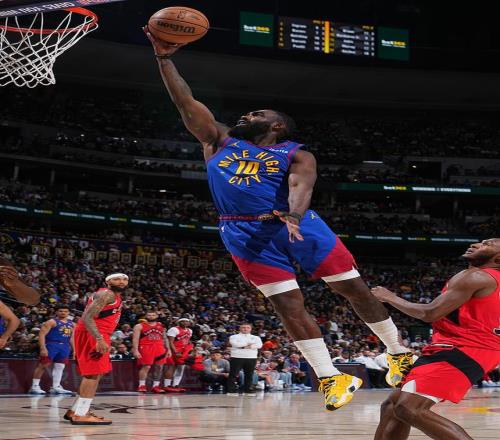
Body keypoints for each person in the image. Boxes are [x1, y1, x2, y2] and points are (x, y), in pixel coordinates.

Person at [143, 29, 413, 411]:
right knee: (287, 304)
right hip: (242, 230)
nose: (246, 115)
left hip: (298, 223)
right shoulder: (217, 139)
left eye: (257, 114)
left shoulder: (295, 152)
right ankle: (330, 376)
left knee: (353, 288)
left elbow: (302, 184)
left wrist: (295, 215)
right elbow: (184, 100)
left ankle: (397, 351)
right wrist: (164, 58)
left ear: (276, 126)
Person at [371, 238, 500, 440]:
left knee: (409, 408)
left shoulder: (476, 276)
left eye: (487, 244)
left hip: (465, 348)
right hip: (466, 348)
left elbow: (430, 313)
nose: (476, 244)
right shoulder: (487, 279)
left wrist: (389, 297)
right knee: (392, 406)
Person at [64, 273, 129, 425]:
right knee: (92, 375)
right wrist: (99, 338)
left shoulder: (112, 295)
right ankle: (81, 414)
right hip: (94, 333)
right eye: (116, 279)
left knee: (95, 374)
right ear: (108, 282)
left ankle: (75, 410)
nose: (121, 281)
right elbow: (87, 317)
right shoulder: (107, 294)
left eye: (124, 279)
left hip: (96, 332)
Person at [29, 305, 74, 395]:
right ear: (56, 312)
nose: (63, 313)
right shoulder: (51, 322)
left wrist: (74, 350)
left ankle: (56, 387)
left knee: (60, 366)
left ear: (68, 313)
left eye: (65, 311)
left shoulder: (72, 324)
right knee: (43, 365)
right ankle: (34, 386)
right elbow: (42, 334)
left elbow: (72, 338)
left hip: (65, 346)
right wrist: (43, 347)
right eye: (61, 311)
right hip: (51, 345)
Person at [132, 311, 168, 393]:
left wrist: (168, 349)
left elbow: (165, 338)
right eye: (149, 315)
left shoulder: (161, 325)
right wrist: (135, 350)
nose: (151, 316)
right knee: (146, 366)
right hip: (146, 347)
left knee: (159, 367)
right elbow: (135, 339)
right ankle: (141, 385)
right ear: (146, 316)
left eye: (153, 315)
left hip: (159, 347)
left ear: (157, 316)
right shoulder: (139, 326)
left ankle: (155, 386)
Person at [227, 323, 263, 396]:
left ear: (250, 329)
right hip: (237, 357)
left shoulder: (256, 337)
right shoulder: (234, 336)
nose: (245, 329)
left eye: (248, 327)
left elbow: (259, 345)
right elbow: (236, 344)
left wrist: (243, 346)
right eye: (243, 327)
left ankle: (248, 390)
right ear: (240, 328)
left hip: (251, 357)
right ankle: (231, 390)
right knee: (233, 374)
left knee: (249, 374)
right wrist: (250, 344)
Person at [163, 317, 193, 392]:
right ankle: (167, 385)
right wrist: (175, 351)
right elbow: (170, 342)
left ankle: (175, 385)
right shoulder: (174, 329)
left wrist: (189, 350)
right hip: (174, 350)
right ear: (179, 322)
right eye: (183, 321)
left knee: (181, 367)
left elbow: (187, 341)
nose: (185, 323)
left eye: (186, 321)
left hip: (184, 351)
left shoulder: (190, 330)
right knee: (171, 366)